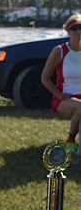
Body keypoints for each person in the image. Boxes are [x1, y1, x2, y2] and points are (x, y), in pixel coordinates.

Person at [41, 13, 81, 157]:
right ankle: (71, 139)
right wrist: (59, 95)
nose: (78, 32)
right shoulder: (60, 50)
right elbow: (44, 78)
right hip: (64, 98)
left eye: (80, 28)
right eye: (74, 29)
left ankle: (77, 152)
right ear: (68, 31)